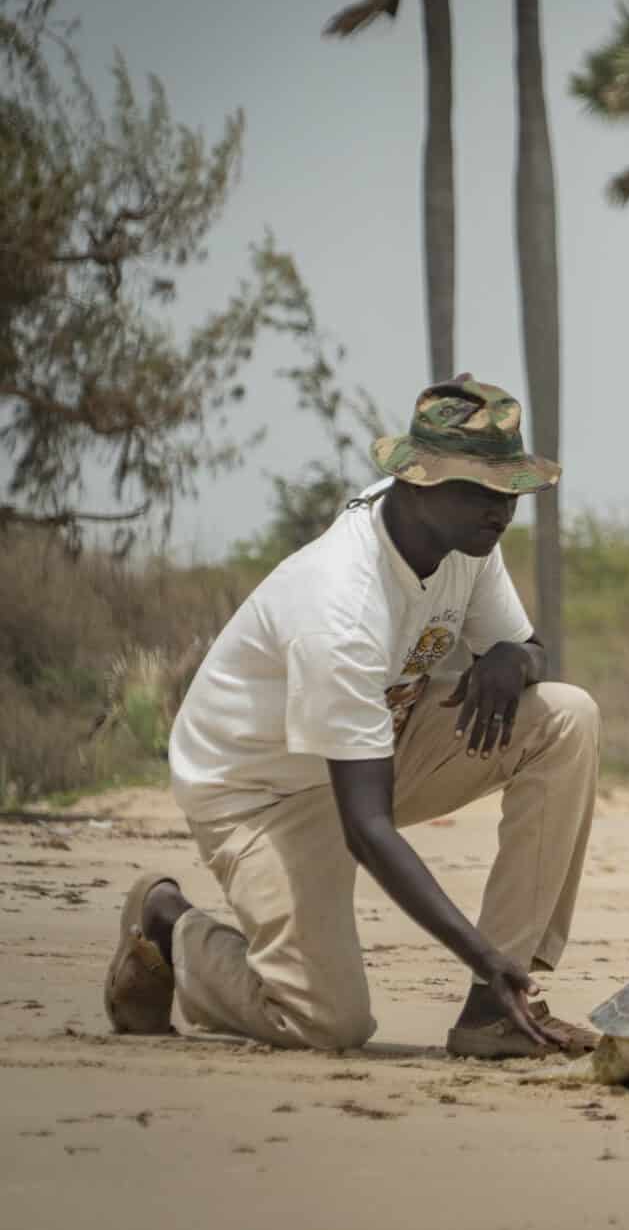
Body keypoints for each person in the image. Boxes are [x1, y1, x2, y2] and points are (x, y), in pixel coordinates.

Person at [103, 376, 601, 1058]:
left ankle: (494, 1014)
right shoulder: (340, 603)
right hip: (261, 793)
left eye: (510, 490)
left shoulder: (466, 541)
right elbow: (367, 828)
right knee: (324, 1022)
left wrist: (516, 659)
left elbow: (528, 647)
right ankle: (168, 928)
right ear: (418, 481)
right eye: (484, 490)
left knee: (566, 718)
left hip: (374, 747)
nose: (503, 509)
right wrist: (480, 953)